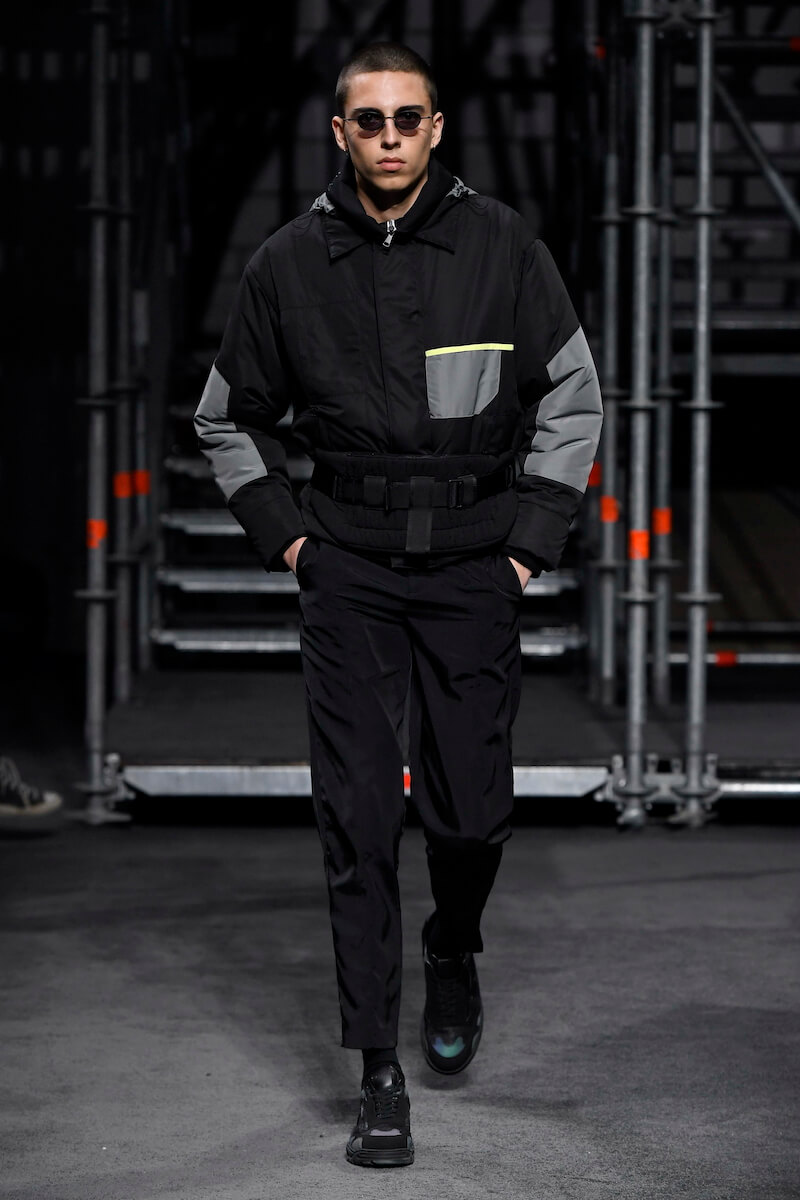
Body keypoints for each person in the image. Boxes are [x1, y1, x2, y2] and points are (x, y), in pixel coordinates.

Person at [195, 41, 603, 1167]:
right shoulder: (287, 264)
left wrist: (525, 549)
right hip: (351, 572)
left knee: (470, 814)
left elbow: (571, 396)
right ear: (339, 132)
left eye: (405, 118)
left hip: (474, 566)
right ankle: (377, 1071)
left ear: (435, 129)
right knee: (360, 815)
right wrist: (290, 541)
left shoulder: (501, 245)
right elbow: (225, 416)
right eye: (366, 121)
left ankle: (452, 943)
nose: (387, 137)